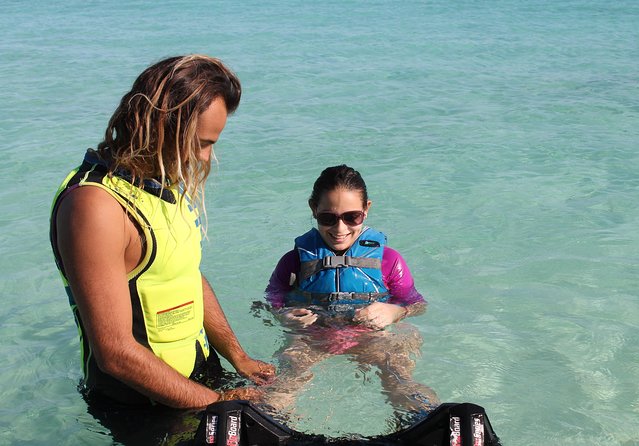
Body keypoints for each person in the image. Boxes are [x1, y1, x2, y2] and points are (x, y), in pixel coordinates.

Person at [49, 55, 276, 412]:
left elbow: (183, 274)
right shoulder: (95, 206)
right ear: (161, 126)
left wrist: (238, 357)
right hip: (145, 405)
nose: (205, 158)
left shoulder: (160, 186)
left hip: (201, 381)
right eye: (200, 142)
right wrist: (220, 406)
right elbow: (115, 353)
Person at [263, 165, 439, 420]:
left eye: (351, 217)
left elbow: (417, 304)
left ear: (366, 210)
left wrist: (395, 312)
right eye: (328, 218)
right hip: (314, 335)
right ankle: (267, 424)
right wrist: (283, 316)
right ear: (313, 209)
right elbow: (273, 299)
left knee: (397, 376)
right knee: (289, 377)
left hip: (370, 335)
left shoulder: (389, 260)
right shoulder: (294, 261)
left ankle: (429, 421)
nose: (340, 228)